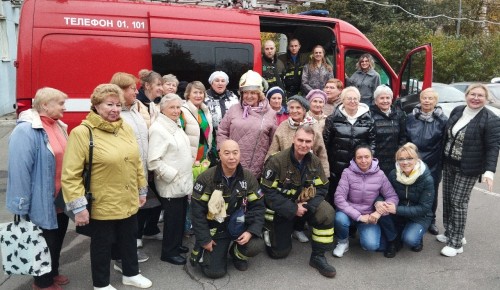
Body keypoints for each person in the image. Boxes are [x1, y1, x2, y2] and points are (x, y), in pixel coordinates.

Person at [62, 84, 152, 290]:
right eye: (109, 104)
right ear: (96, 105)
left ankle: (131, 273)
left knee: (129, 239)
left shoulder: (125, 128)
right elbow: (71, 175)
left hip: (128, 198)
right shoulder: (82, 133)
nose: (114, 109)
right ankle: (101, 284)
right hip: (102, 202)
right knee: (102, 245)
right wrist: (79, 208)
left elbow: (136, 162)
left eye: (118, 105)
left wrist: (141, 190)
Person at [7, 88, 69, 290]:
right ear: (45, 105)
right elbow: (19, 169)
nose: (64, 107)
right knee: (42, 241)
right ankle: (41, 282)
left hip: (60, 198)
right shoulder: (26, 130)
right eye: (60, 103)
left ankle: (53, 272)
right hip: (39, 199)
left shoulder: (58, 125)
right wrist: (20, 204)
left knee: (58, 237)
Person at [261, 126, 336, 278]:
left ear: (312, 143)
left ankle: (318, 256)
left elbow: (322, 187)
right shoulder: (276, 161)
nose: (303, 144)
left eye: (308, 141)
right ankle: (278, 229)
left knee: (327, 213)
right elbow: (267, 192)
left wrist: (308, 206)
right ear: (294, 139)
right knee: (278, 253)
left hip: (304, 205)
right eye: (300, 140)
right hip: (282, 208)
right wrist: (292, 208)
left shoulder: (314, 161)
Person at [438, 83, 500, 257]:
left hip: (469, 167)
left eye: (480, 95)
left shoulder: (491, 119)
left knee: (458, 202)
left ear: (486, 99)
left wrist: (489, 171)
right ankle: (451, 232)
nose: (475, 98)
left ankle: (456, 243)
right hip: (449, 163)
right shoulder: (458, 110)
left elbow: (493, 147)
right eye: (472, 94)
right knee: (448, 199)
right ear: (466, 95)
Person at [190, 140, 265, 278]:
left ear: (240, 154)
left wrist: (250, 231)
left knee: (257, 244)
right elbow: (196, 212)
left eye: (235, 153)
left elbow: (258, 208)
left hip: (239, 225)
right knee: (214, 273)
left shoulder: (248, 178)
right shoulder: (206, 178)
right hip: (216, 228)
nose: (232, 157)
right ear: (220, 155)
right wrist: (205, 239)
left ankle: (237, 254)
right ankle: (204, 250)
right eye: (227, 153)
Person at [110, 72, 161, 266]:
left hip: (140, 170)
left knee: (136, 213)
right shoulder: (117, 115)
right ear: (121, 90)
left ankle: (128, 250)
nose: (136, 91)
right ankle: (121, 256)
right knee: (126, 217)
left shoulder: (135, 110)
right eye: (132, 88)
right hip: (125, 174)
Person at [266, 95, 329, 243]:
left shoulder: (313, 127)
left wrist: (325, 173)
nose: (294, 111)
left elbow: (322, 153)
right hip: (285, 174)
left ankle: (298, 228)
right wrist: (268, 166)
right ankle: (284, 228)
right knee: (287, 202)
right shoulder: (282, 126)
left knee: (306, 198)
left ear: (305, 109)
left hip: (308, 173)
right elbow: (272, 150)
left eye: (298, 108)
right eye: (291, 107)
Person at [148, 93, 194, 265]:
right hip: (171, 183)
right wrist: (172, 175)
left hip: (181, 182)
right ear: (163, 109)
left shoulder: (175, 124)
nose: (176, 111)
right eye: (172, 108)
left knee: (179, 216)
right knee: (172, 220)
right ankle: (168, 251)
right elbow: (153, 160)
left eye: (178, 107)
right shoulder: (159, 129)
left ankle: (176, 245)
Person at [333, 145, 399, 258]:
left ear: (372, 157)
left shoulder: (380, 174)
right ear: (354, 159)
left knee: (371, 245)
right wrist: (358, 216)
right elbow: (339, 198)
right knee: (339, 218)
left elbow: (392, 197)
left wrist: (378, 213)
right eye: (359, 157)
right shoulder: (347, 173)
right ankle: (343, 242)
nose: (363, 160)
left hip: (369, 216)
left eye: (366, 157)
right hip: (349, 212)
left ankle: (364, 235)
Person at [217, 70, 277, 178]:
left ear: (259, 94)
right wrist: (223, 151)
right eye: (245, 92)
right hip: (232, 165)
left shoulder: (270, 113)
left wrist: (269, 162)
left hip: (258, 168)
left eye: (253, 92)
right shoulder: (234, 109)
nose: (249, 96)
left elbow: (274, 142)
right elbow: (222, 131)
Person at [323, 86, 376, 203]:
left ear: (359, 100)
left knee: (355, 197)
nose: (352, 101)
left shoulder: (369, 120)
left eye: (355, 99)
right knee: (336, 196)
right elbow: (326, 142)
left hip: (359, 166)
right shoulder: (332, 119)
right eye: (349, 98)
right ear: (342, 100)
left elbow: (372, 142)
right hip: (337, 167)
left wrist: (367, 161)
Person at [406, 88, 447, 236]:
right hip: (412, 160)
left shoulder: (442, 120)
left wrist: (441, 164)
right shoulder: (410, 117)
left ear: (436, 101)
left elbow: (444, 143)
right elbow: (405, 139)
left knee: (431, 193)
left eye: (431, 98)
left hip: (433, 162)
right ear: (420, 99)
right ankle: (411, 218)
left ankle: (431, 220)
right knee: (411, 190)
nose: (427, 101)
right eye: (424, 98)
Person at [383, 143, 434, 252]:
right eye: (401, 159)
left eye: (409, 158)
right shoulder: (393, 174)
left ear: (417, 159)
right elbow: (383, 192)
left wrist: (396, 209)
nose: (405, 162)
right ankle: (399, 234)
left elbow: (424, 208)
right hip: (398, 213)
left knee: (410, 240)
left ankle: (417, 237)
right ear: (397, 161)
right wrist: (379, 203)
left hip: (420, 216)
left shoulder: (426, 179)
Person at [370, 85, 407, 175]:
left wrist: (399, 154)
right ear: (376, 101)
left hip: (395, 160)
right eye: (381, 98)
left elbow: (403, 137)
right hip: (376, 161)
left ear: (391, 99)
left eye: (388, 98)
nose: (385, 101)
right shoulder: (369, 115)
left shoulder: (399, 114)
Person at [180, 81, 213, 163]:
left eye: (201, 93)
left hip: (204, 158)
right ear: (188, 94)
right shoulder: (182, 111)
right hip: (189, 159)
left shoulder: (205, 110)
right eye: (195, 92)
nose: (198, 95)